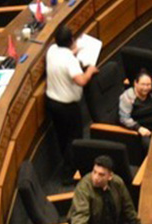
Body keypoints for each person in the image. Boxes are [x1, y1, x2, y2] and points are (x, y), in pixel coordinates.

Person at [45, 25, 98, 181]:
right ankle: (71, 172)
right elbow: (81, 80)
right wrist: (90, 70)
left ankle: (67, 167)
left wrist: (74, 50)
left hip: (52, 102)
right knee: (74, 139)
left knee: (62, 137)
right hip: (67, 107)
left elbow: (65, 53)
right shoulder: (70, 60)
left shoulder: (52, 50)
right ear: (71, 40)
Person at [67, 155, 141, 224]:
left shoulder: (117, 183)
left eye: (101, 175)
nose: (96, 177)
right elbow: (80, 218)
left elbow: (128, 209)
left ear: (110, 176)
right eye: (94, 172)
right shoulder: (84, 188)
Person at [117, 69, 152, 143]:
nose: (146, 88)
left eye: (148, 84)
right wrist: (139, 128)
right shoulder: (128, 97)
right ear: (135, 83)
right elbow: (124, 118)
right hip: (141, 131)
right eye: (143, 84)